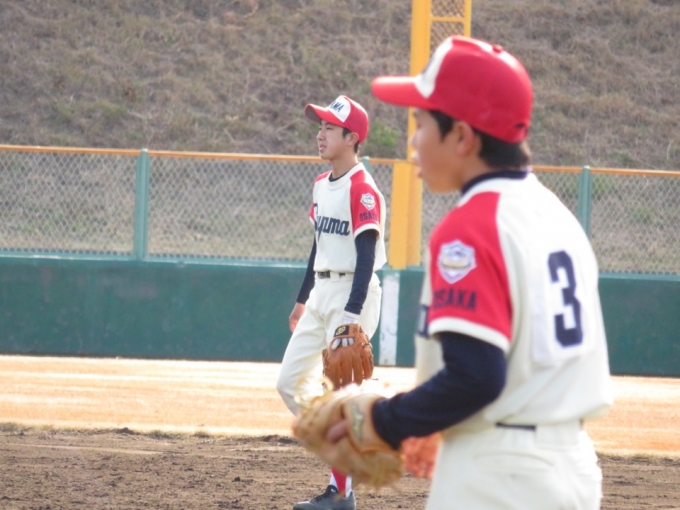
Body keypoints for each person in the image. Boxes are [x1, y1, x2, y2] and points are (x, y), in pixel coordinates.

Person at [324, 35, 613, 509]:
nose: (413, 141)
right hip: (571, 467)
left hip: (498, 476)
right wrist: (439, 421)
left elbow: (476, 377)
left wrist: (382, 420)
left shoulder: (472, 226)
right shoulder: (557, 215)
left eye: (421, 124)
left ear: (461, 137)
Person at [276, 95, 387, 510]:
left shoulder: (362, 189)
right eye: (320, 126)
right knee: (289, 383)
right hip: (322, 292)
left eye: (329, 128)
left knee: (340, 390)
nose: (320, 134)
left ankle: (341, 493)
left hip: (352, 293)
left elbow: (366, 258)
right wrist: (302, 299)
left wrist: (351, 317)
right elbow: (317, 246)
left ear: (352, 138)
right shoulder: (322, 184)